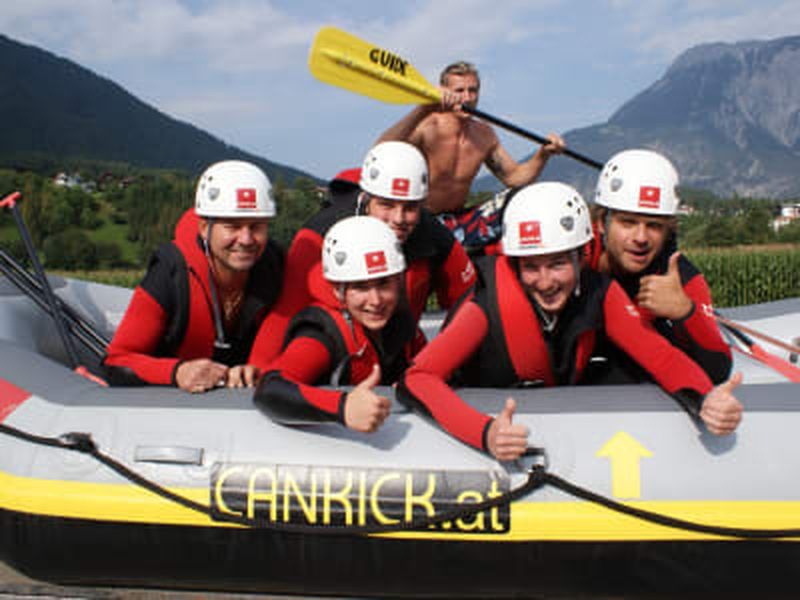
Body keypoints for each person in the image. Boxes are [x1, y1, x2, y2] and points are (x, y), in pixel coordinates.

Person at [399, 182, 743, 461]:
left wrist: (705, 400)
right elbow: (417, 378)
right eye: (531, 266)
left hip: (554, 413)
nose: (545, 282)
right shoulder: (484, 306)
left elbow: (659, 356)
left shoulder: (601, 293)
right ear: (515, 264)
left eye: (558, 264)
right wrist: (484, 432)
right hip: (488, 420)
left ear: (580, 257)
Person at [248, 141, 476, 368]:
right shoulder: (321, 233)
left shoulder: (432, 234)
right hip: (336, 358)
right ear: (367, 198)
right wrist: (259, 366)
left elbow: (471, 301)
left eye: (410, 207)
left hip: (398, 361)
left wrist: (443, 365)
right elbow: (286, 309)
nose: (398, 219)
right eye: (386, 205)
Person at [104, 160, 284, 392]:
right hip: (171, 401)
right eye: (232, 227)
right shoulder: (171, 271)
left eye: (257, 226)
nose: (246, 239)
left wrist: (261, 368)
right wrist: (177, 372)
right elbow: (116, 361)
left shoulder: (276, 266)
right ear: (204, 229)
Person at [255, 216, 422, 432]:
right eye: (361, 287)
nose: (376, 300)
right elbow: (269, 388)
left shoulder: (400, 321)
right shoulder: (322, 335)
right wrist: (342, 408)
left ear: (398, 281)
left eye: (384, 284)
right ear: (337, 290)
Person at [376, 60, 566, 249]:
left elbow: (514, 178)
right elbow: (381, 152)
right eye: (459, 91)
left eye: (472, 90)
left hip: (461, 222)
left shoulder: (484, 134)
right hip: (423, 222)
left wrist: (543, 154)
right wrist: (423, 108)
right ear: (444, 91)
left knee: (517, 197)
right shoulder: (427, 125)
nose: (467, 98)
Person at [585, 149, 732, 384]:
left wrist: (685, 312)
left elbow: (719, 368)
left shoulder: (679, 277)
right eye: (628, 222)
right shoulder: (573, 257)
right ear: (602, 222)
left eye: (653, 226)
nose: (641, 238)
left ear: (667, 231)